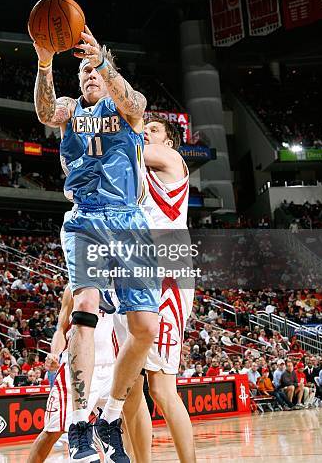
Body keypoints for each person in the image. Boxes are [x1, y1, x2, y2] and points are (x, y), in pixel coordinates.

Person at [34, 29, 159, 462]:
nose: (88, 74)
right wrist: (44, 61)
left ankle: (110, 415)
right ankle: (80, 422)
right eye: (83, 69)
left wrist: (102, 60)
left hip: (128, 220)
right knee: (85, 303)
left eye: (95, 69)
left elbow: (136, 103)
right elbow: (46, 110)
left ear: (108, 76)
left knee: (145, 329)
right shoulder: (71, 111)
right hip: (85, 217)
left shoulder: (127, 108)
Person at [117, 116, 195, 463]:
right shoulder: (139, 174)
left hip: (168, 276)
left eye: (154, 130)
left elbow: (126, 145)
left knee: (162, 388)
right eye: (144, 128)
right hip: (138, 269)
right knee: (131, 387)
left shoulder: (170, 160)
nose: (146, 132)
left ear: (169, 141)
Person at [27, 286, 116, 463]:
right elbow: (61, 329)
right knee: (53, 430)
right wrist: (55, 353)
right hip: (76, 368)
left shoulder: (120, 282)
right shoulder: (74, 287)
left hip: (110, 367)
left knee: (118, 430)